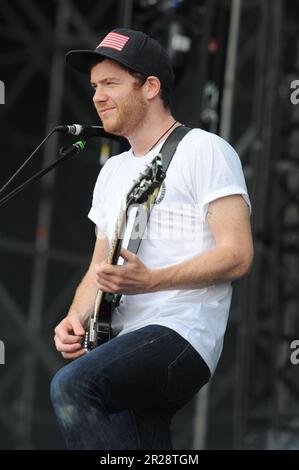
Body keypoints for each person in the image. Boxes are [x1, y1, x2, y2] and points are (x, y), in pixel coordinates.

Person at [50, 28, 253, 450]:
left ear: (151, 87)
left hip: (181, 332)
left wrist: (152, 280)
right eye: (94, 87)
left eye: (110, 84)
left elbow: (237, 255)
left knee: (71, 388)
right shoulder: (112, 172)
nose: (97, 96)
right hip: (121, 338)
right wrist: (76, 319)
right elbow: (98, 267)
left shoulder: (204, 150)